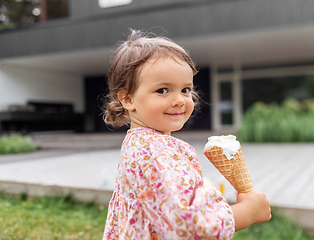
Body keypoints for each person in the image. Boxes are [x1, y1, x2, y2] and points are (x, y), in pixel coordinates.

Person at [102, 29, 271, 240]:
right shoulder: (154, 152)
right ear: (128, 99)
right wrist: (247, 213)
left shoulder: (138, 142)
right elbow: (187, 226)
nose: (180, 100)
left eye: (185, 90)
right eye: (163, 90)